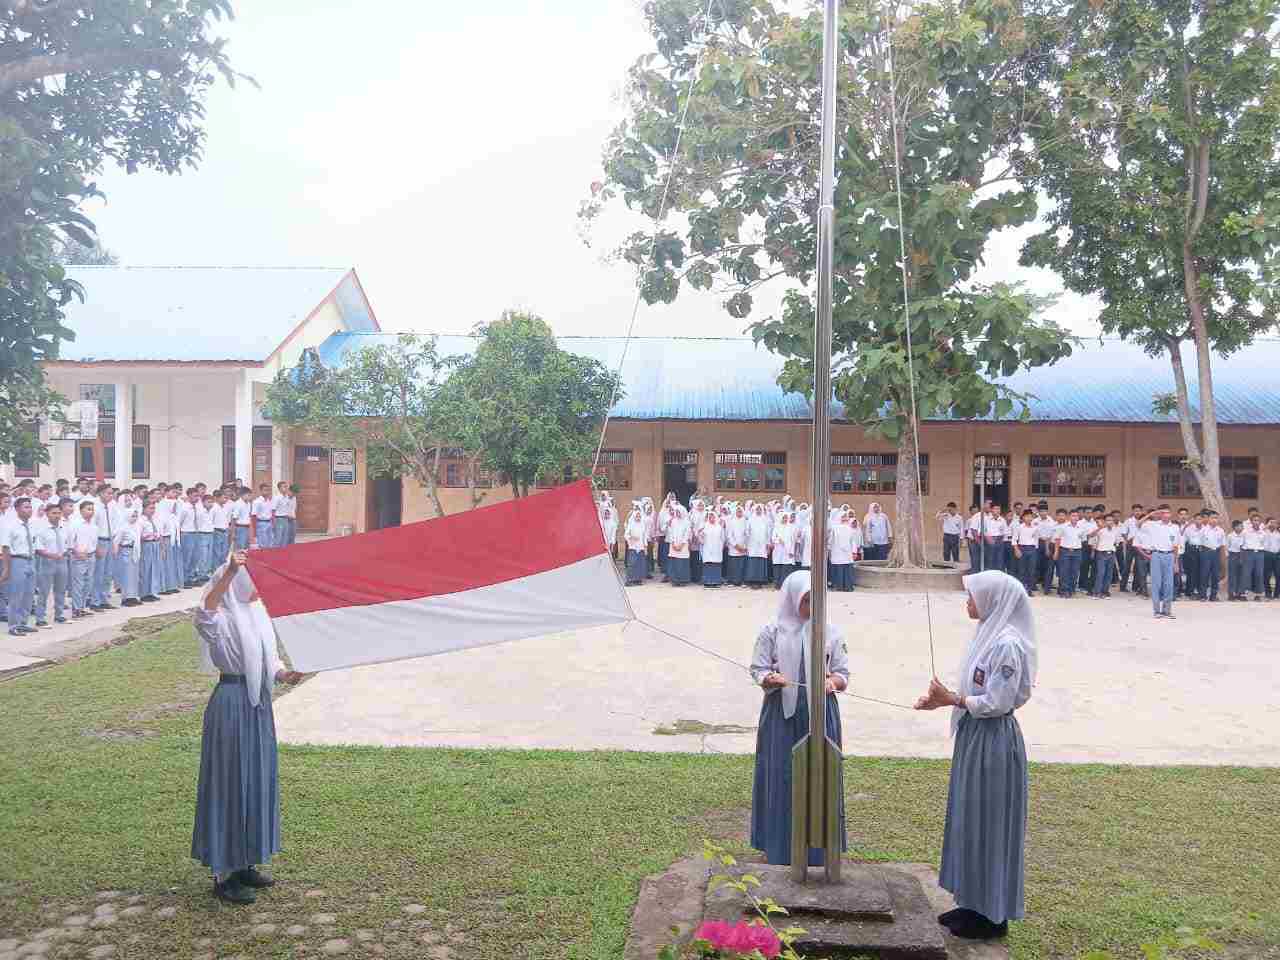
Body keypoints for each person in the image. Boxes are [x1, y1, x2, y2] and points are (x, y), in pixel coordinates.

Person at [914, 570, 1034, 941]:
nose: (968, 602)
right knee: (971, 817)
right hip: (974, 736)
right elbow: (975, 689)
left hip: (993, 740)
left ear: (993, 600)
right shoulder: (987, 635)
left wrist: (951, 699)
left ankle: (992, 915)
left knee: (990, 822)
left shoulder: (1007, 644)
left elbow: (997, 702)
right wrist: (944, 700)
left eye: (973, 596)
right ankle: (971, 901)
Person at [192, 551, 305, 904]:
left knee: (254, 779)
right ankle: (223, 873)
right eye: (251, 582)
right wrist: (229, 572)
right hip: (231, 703)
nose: (258, 590)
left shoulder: (256, 614)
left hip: (257, 704)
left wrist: (284, 674)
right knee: (229, 783)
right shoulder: (221, 618)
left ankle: (245, 862)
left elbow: (270, 659)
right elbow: (204, 612)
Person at [749, 570, 848, 866]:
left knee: (820, 774)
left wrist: (832, 682)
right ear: (792, 599)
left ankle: (819, 852)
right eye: (806, 601)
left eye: (816, 600)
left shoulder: (830, 632)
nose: (811, 607)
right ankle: (780, 848)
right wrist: (770, 678)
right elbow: (758, 669)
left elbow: (842, 674)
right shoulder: (772, 631)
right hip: (782, 714)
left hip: (821, 715)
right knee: (782, 775)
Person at [4, 497, 37, 636]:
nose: (29, 510)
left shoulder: (32, 525)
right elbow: (6, 548)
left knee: (28, 594)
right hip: (17, 560)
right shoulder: (10, 526)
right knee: (16, 594)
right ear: (17, 509)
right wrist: (7, 568)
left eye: (30, 507)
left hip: (31, 560)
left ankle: (23, 622)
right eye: (26, 507)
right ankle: (13, 625)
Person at [33, 501, 70, 626]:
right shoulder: (42, 530)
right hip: (47, 562)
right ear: (47, 514)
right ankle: (40, 618)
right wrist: (52, 555)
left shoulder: (64, 528)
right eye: (53, 513)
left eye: (59, 513)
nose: (57, 515)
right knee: (44, 591)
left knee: (61, 590)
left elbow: (67, 544)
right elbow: (38, 549)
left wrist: (66, 553)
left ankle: (59, 615)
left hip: (62, 561)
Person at [1140, 505, 1180, 618]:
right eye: (1163, 513)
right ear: (1160, 514)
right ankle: (1157, 611)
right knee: (1156, 583)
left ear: (1171, 514)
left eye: (1168, 513)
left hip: (1170, 556)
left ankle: (1167, 611)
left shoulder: (1175, 527)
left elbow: (1176, 546)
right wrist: (1150, 514)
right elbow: (1138, 524)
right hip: (1156, 555)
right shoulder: (1153, 525)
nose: (1166, 515)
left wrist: (1176, 562)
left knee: (1169, 584)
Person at [1052, 509, 1082, 598]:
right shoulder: (1063, 527)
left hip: (1077, 551)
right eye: (1073, 516)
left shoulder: (1081, 528)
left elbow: (1082, 539)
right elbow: (1057, 539)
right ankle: (1063, 590)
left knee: (1075, 572)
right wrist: (1056, 552)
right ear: (1069, 517)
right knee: (1064, 572)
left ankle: (1071, 589)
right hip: (1065, 551)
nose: (1075, 518)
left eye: (1076, 516)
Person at [1089, 514, 1118, 598]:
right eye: (1108, 520)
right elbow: (1091, 536)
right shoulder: (1101, 530)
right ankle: (1097, 592)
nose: (1110, 522)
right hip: (1101, 553)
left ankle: (1105, 591)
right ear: (1105, 521)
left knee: (1109, 574)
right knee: (1100, 573)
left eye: (1111, 520)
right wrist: (1100, 528)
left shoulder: (1115, 530)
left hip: (1111, 553)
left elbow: (1116, 542)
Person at [828, 512, 857, 592]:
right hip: (837, 553)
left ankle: (847, 587)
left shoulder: (849, 528)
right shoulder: (834, 528)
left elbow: (853, 541)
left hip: (847, 554)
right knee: (838, 569)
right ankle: (838, 587)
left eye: (845, 517)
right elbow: (830, 541)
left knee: (847, 570)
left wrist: (854, 552)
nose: (845, 519)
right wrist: (829, 551)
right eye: (843, 517)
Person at [1012, 509, 1039, 594]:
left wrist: (1035, 550)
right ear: (1023, 517)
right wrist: (1017, 550)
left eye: (1030, 517)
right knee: (1022, 570)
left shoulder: (1035, 528)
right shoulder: (1019, 527)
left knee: (1031, 570)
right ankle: (1022, 589)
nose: (1029, 518)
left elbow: (1036, 540)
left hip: (1032, 549)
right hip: (1022, 548)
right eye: (1027, 516)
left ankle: (1029, 589)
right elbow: (1014, 540)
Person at [745, 504, 770, 589]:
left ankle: (760, 581)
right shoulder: (751, 519)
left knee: (761, 562)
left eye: (760, 509)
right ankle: (752, 581)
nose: (759, 511)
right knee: (753, 562)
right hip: (753, 544)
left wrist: (768, 544)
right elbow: (747, 531)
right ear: (755, 510)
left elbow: (768, 533)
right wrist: (749, 539)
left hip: (762, 544)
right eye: (757, 509)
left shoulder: (765, 520)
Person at [1242, 514, 1266, 601]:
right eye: (1254, 520)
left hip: (1259, 554)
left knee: (1259, 574)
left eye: (1258, 520)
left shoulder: (1263, 533)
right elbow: (1242, 543)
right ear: (1251, 522)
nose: (1256, 522)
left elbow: (1264, 544)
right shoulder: (1246, 532)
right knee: (1246, 573)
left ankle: (1258, 594)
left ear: (1260, 522)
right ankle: (1244, 594)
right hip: (1249, 553)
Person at [666, 505, 692, 586]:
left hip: (683, 545)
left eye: (679, 512)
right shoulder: (673, 521)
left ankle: (682, 580)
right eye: (676, 512)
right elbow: (671, 532)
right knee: (674, 562)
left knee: (682, 563)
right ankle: (674, 580)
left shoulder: (687, 522)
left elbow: (686, 534)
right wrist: (673, 543)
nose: (677, 514)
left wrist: (681, 545)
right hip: (673, 545)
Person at [624, 507, 648, 586]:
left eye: (639, 516)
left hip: (641, 547)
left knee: (640, 564)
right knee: (632, 564)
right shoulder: (631, 524)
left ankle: (637, 579)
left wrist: (645, 547)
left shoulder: (643, 525)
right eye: (637, 516)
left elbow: (644, 536)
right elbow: (626, 535)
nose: (638, 517)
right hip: (633, 547)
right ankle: (629, 580)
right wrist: (632, 537)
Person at [272, 482, 297, 548]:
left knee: (285, 538)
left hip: (286, 519)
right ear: (279, 488)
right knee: (278, 538)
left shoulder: (286, 497)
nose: (286, 488)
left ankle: (283, 552)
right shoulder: (276, 498)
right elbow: (273, 510)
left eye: (286, 487)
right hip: (279, 519)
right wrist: (273, 522)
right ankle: (276, 552)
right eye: (284, 487)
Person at [251, 483, 275, 548]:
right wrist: (254, 530)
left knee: (270, 543)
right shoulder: (257, 501)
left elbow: (271, 513)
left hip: (269, 522)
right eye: (265, 490)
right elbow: (253, 515)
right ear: (261, 491)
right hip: (261, 523)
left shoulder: (269, 501)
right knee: (263, 544)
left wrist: (272, 523)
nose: (267, 492)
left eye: (268, 490)